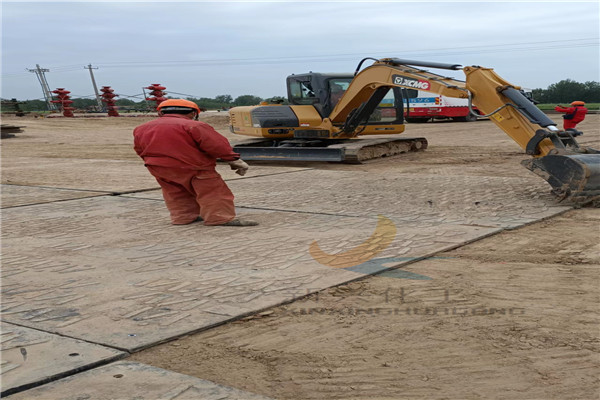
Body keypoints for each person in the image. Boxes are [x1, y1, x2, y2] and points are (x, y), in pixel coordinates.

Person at [133, 99, 258, 227]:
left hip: (158, 167)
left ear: (160, 113)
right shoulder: (195, 126)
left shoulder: (141, 128)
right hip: (194, 167)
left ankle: (183, 218)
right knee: (212, 192)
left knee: (175, 192)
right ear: (193, 113)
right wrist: (233, 159)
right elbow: (216, 145)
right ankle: (219, 218)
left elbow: (139, 149)